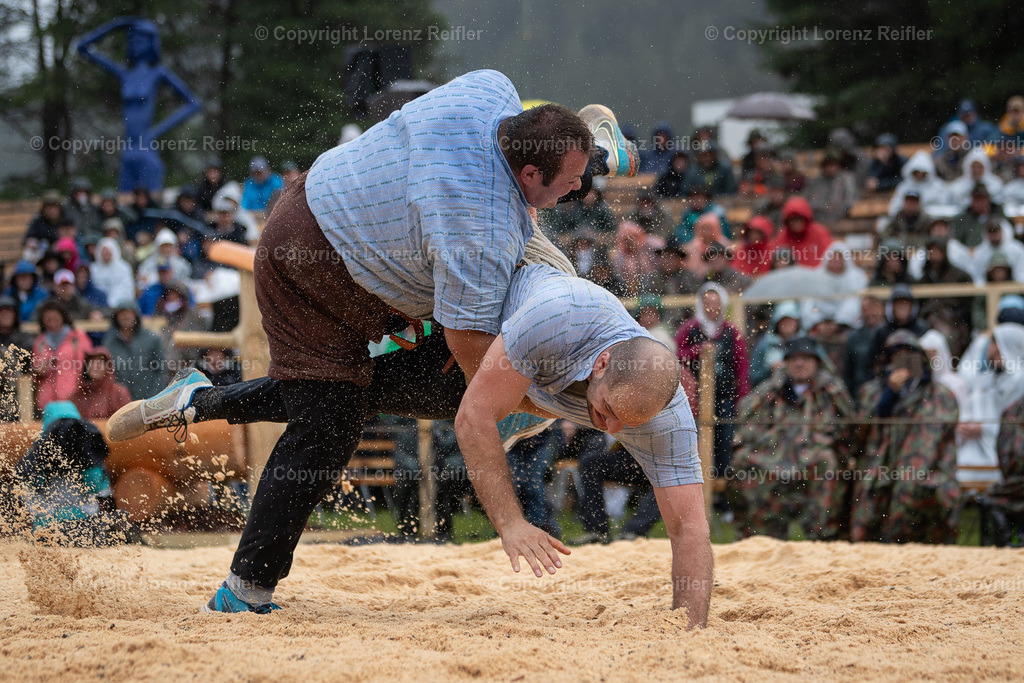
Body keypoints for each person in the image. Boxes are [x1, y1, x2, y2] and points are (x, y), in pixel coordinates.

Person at [107, 70, 657, 616]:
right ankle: (245, 589)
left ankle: (199, 402)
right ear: (530, 170)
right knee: (329, 421)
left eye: (583, 176)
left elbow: (521, 165)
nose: (580, 196)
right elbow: (479, 390)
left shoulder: (489, 90)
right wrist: (544, 420)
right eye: (569, 182)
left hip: (356, 229)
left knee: (344, 392)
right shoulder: (477, 227)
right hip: (310, 270)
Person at [109, 264, 712, 627]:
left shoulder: (663, 416)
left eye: (621, 424)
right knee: (336, 393)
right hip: (462, 334)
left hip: (509, 382)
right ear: (602, 361)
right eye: (604, 410)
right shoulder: (560, 318)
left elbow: (689, 528)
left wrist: (690, 631)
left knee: (335, 396)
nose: (606, 428)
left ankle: (198, 400)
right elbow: (473, 419)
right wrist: (509, 522)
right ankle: (201, 402)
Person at [729, 336, 853, 540]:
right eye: (794, 359)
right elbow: (745, 417)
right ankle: (759, 535)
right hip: (774, 456)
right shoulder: (771, 389)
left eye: (806, 359)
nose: (799, 363)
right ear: (785, 363)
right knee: (743, 462)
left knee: (827, 463)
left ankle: (822, 536)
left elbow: (848, 426)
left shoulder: (830, 391)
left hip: (813, 457)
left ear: (816, 363)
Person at [850, 331, 960, 543]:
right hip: (879, 464)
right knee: (869, 493)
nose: (903, 363)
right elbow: (859, 433)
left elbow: (939, 435)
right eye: (896, 357)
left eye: (909, 356)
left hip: (928, 467)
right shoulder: (871, 392)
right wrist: (888, 397)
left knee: (923, 488)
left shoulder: (940, 394)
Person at [15, 401, 140, 546]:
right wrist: (86, 461)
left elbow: (29, 485)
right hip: (84, 524)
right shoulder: (87, 451)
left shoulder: (36, 453)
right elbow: (97, 487)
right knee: (116, 521)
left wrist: (45, 461)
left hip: (46, 527)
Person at [675, 282, 749, 480]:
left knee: (724, 443)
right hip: (693, 400)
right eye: (707, 303)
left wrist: (741, 396)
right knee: (697, 444)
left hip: (725, 397)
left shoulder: (732, 332)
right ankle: (697, 485)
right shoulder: (689, 330)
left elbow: (741, 367)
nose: (712, 309)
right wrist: (698, 351)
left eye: (716, 304)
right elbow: (676, 356)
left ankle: (722, 492)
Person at [955, 323, 1024, 485]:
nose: (989, 348)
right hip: (977, 450)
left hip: (1009, 454)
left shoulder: (1019, 381)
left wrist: (985, 428)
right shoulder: (987, 378)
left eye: (994, 343)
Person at [32, 299, 92, 412]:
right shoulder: (40, 341)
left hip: (73, 398)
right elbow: (36, 373)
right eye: (48, 319)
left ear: (63, 317)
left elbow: (86, 367)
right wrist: (40, 370)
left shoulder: (77, 337)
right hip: (46, 402)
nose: (52, 323)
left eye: (55, 318)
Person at [102, 301, 167, 400]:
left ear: (136, 315)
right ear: (116, 317)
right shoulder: (109, 343)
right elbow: (106, 375)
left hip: (148, 399)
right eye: (122, 313)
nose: (126, 316)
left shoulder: (152, 339)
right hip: (120, 402)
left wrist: (154, 395)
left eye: (129, 312)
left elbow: (161, 370)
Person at [70, 346, 132, 419]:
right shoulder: (78, 395)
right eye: (92, 362)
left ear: (108, 367)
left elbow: (126, 422)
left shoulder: (119, 393)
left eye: (100, 362)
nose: (96, 366)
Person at [749, 299, 801, 388]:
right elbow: (753, 376)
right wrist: (769, 370)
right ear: (777, 322)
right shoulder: (765, 344)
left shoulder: (806, 343)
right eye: (784, 320)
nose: (788, 323)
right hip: (771, 394)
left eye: (791, 319)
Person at [770, 196, 833, 268]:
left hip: (818, 276)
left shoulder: (819, 233)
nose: (796, 223)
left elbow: (829, 257)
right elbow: (777, 263)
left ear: (806, 219)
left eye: (799, 219)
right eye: (793, 220)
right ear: (788, 222)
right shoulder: (783, 236)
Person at [845, 296, 887, 400]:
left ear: (883, 309)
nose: (869, 313)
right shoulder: (854, 337)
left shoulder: (892, 333)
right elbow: (848, 371)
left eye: (873, 308)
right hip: (861, 392)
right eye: (865, 309)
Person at [0, 296, 33, 422]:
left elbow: (29, 367)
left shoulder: (25, 339)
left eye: (9, 312)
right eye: (2, 312)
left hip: (18, 392)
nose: (6, 315)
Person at [804, 149, 858, 224]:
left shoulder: (847, 179)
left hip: (841, 219)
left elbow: (850, 200)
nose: (830, 168)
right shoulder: (815, 182)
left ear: (838, 165)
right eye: (827, 165)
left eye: (833, 164)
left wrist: (838, 211)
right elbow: (809, 201)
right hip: (818, 219)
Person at [888, 151, 950, 216]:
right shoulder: (904, 187)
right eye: (917, 172)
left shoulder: (938, 187)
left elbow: (944, 207)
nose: (920, 175)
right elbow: (894, 208)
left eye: (922, 172)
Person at [90, 237, 136, 309]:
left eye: (108, 252)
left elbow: (127, 288)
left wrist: (113, 302)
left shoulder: (124, 268)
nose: (106, 254)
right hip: (99, 305)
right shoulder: (93, 268)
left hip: (120, 305)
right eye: (104, 252)